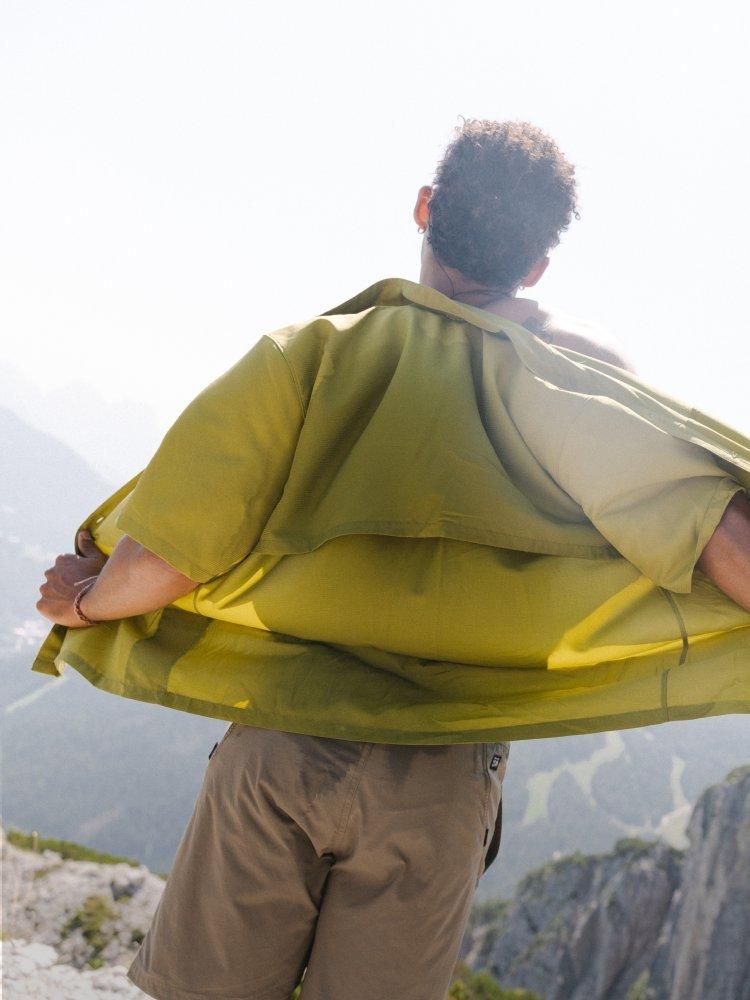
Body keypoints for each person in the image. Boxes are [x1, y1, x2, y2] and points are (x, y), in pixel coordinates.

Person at [34, 120, 750, 1000]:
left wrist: (82, 602)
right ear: (534, 269)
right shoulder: (577, 381)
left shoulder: (312, 355)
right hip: (444, 776)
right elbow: (727, 545)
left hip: (282, 748)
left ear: (424, 207)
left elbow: (162, 563)